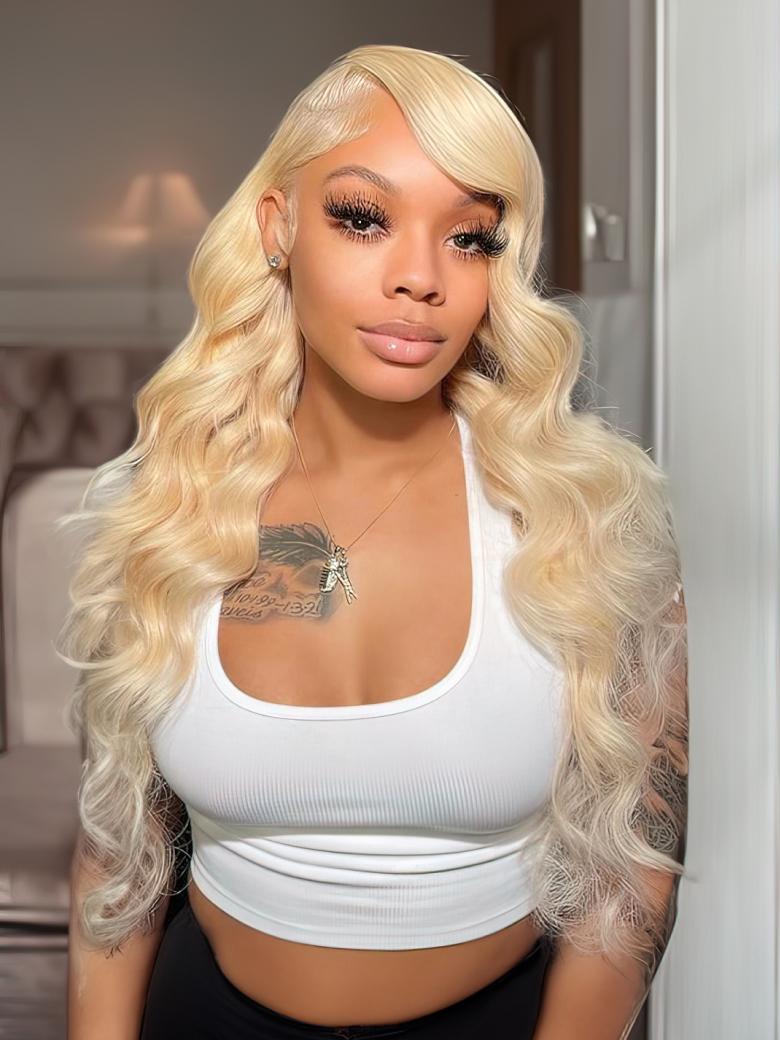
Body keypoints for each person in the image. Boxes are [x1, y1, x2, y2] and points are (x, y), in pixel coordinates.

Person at [61, 43, 688, 1040]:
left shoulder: (590, 514)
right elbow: (114, 851)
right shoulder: (162, 507)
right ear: (278, 227)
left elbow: (636, 869)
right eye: (363, 217)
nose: (419, 279)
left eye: (470, 237)